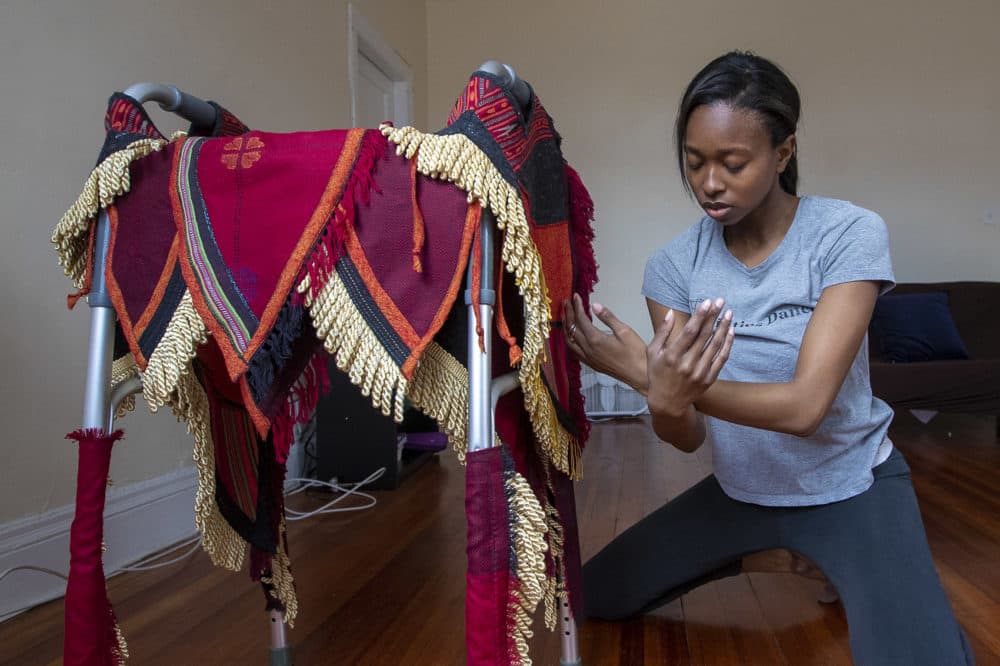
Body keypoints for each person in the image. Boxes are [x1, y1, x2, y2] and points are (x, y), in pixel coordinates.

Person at [563, 51, 973, 665]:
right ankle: (780, 558)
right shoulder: (672, 268)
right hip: (742, 491)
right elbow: (683, 434)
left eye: (733, 162)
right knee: (597, 593)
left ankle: (835, 552)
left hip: (852, 486)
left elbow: (806, 407)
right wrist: (665, 397)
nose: (709, 182)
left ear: (782, 154)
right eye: (695, 161)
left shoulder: (847, 234)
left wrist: (649, 374)